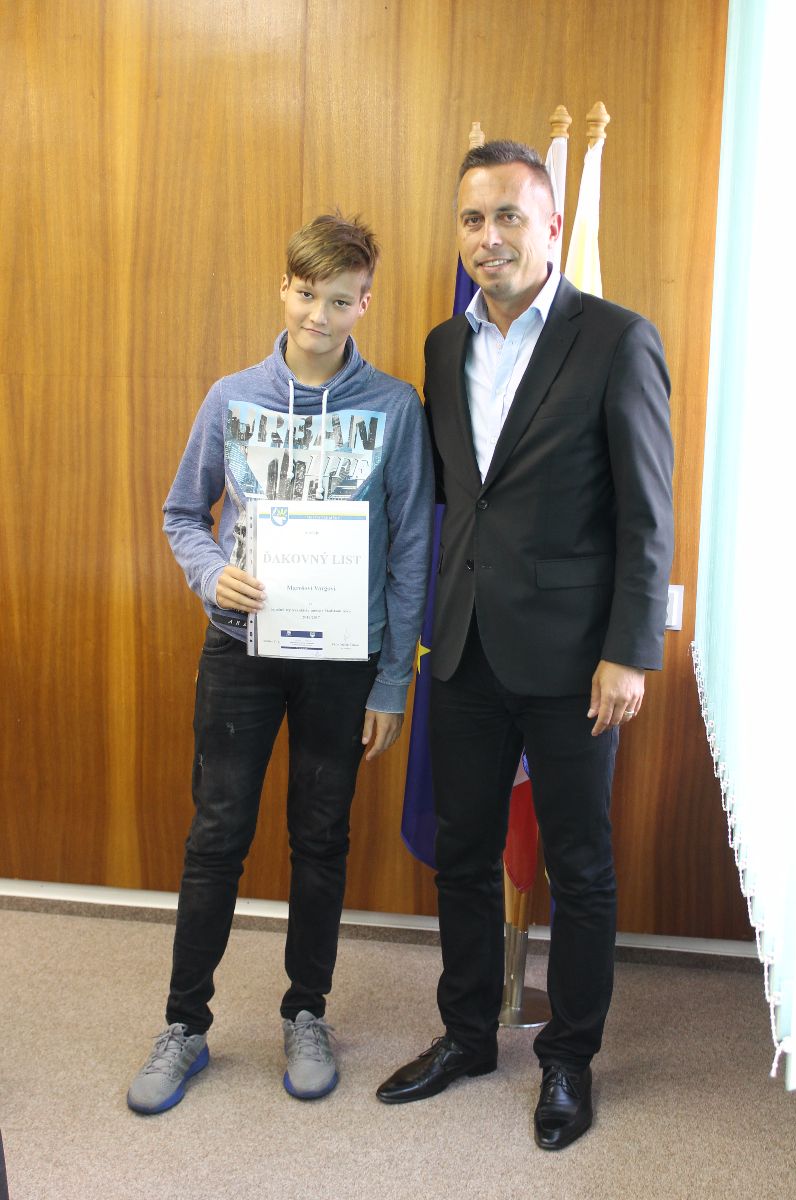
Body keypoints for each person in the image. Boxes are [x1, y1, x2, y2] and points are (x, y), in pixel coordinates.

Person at [376, 141, 673, 1150]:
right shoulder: (440, 346)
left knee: (578, 867)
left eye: (508, 215)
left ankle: (567, 1060)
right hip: (462, 646)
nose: (488, 236)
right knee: (462, 853)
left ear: (550, 226)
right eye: (472, 219)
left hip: (575, 660)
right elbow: (448, 492)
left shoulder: (616, 338)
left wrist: (629, 650)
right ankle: (467, 1036)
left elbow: (646, 512)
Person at [127, 213, 433, 1114]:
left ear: (364, 303)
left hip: (344, 661)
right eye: (305, 294)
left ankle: (307, 1012)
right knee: (217, 835)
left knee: (321, 837)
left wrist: (393, 682)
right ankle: (185, 1023)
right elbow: (183, 514)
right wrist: (210, 573)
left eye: (339, 300)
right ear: (284, 289)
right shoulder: (233, 397)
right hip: (242, 652)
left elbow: (412, 551)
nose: (317, 315)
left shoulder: (395, 408)